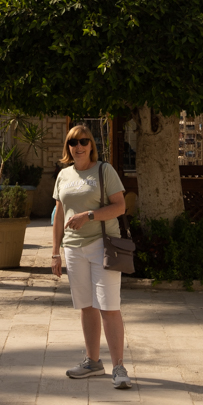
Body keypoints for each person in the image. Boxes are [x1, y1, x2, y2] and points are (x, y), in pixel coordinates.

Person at [50, 124, 132, 388]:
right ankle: (93, 362)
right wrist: (55, 252)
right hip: (73, 249)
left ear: (91, 145)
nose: (78, 147)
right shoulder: (63, 175)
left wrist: (89, 215)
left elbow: (120, 206)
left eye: (84, 142)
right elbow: (59, 215)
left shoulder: (103, 171)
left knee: (109, 307)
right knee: (86, 306)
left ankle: (118, 367)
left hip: (102, 246)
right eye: (73, 142)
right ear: (68, 147)